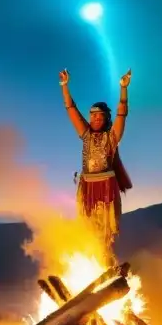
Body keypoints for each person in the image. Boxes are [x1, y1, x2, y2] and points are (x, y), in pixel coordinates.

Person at [59, 67, 133, 253]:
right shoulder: (85, 135)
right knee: (87, 227)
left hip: (106, 186)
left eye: (100, 116)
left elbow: (122, 114)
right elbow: (71, 109)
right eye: (92, 115)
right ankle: (90, 256)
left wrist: (123, 89)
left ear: (106, 118)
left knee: (105, 231)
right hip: (87, 185)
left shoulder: (112, 137)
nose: (95, 119)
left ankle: (105, 259)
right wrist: (64, 85)